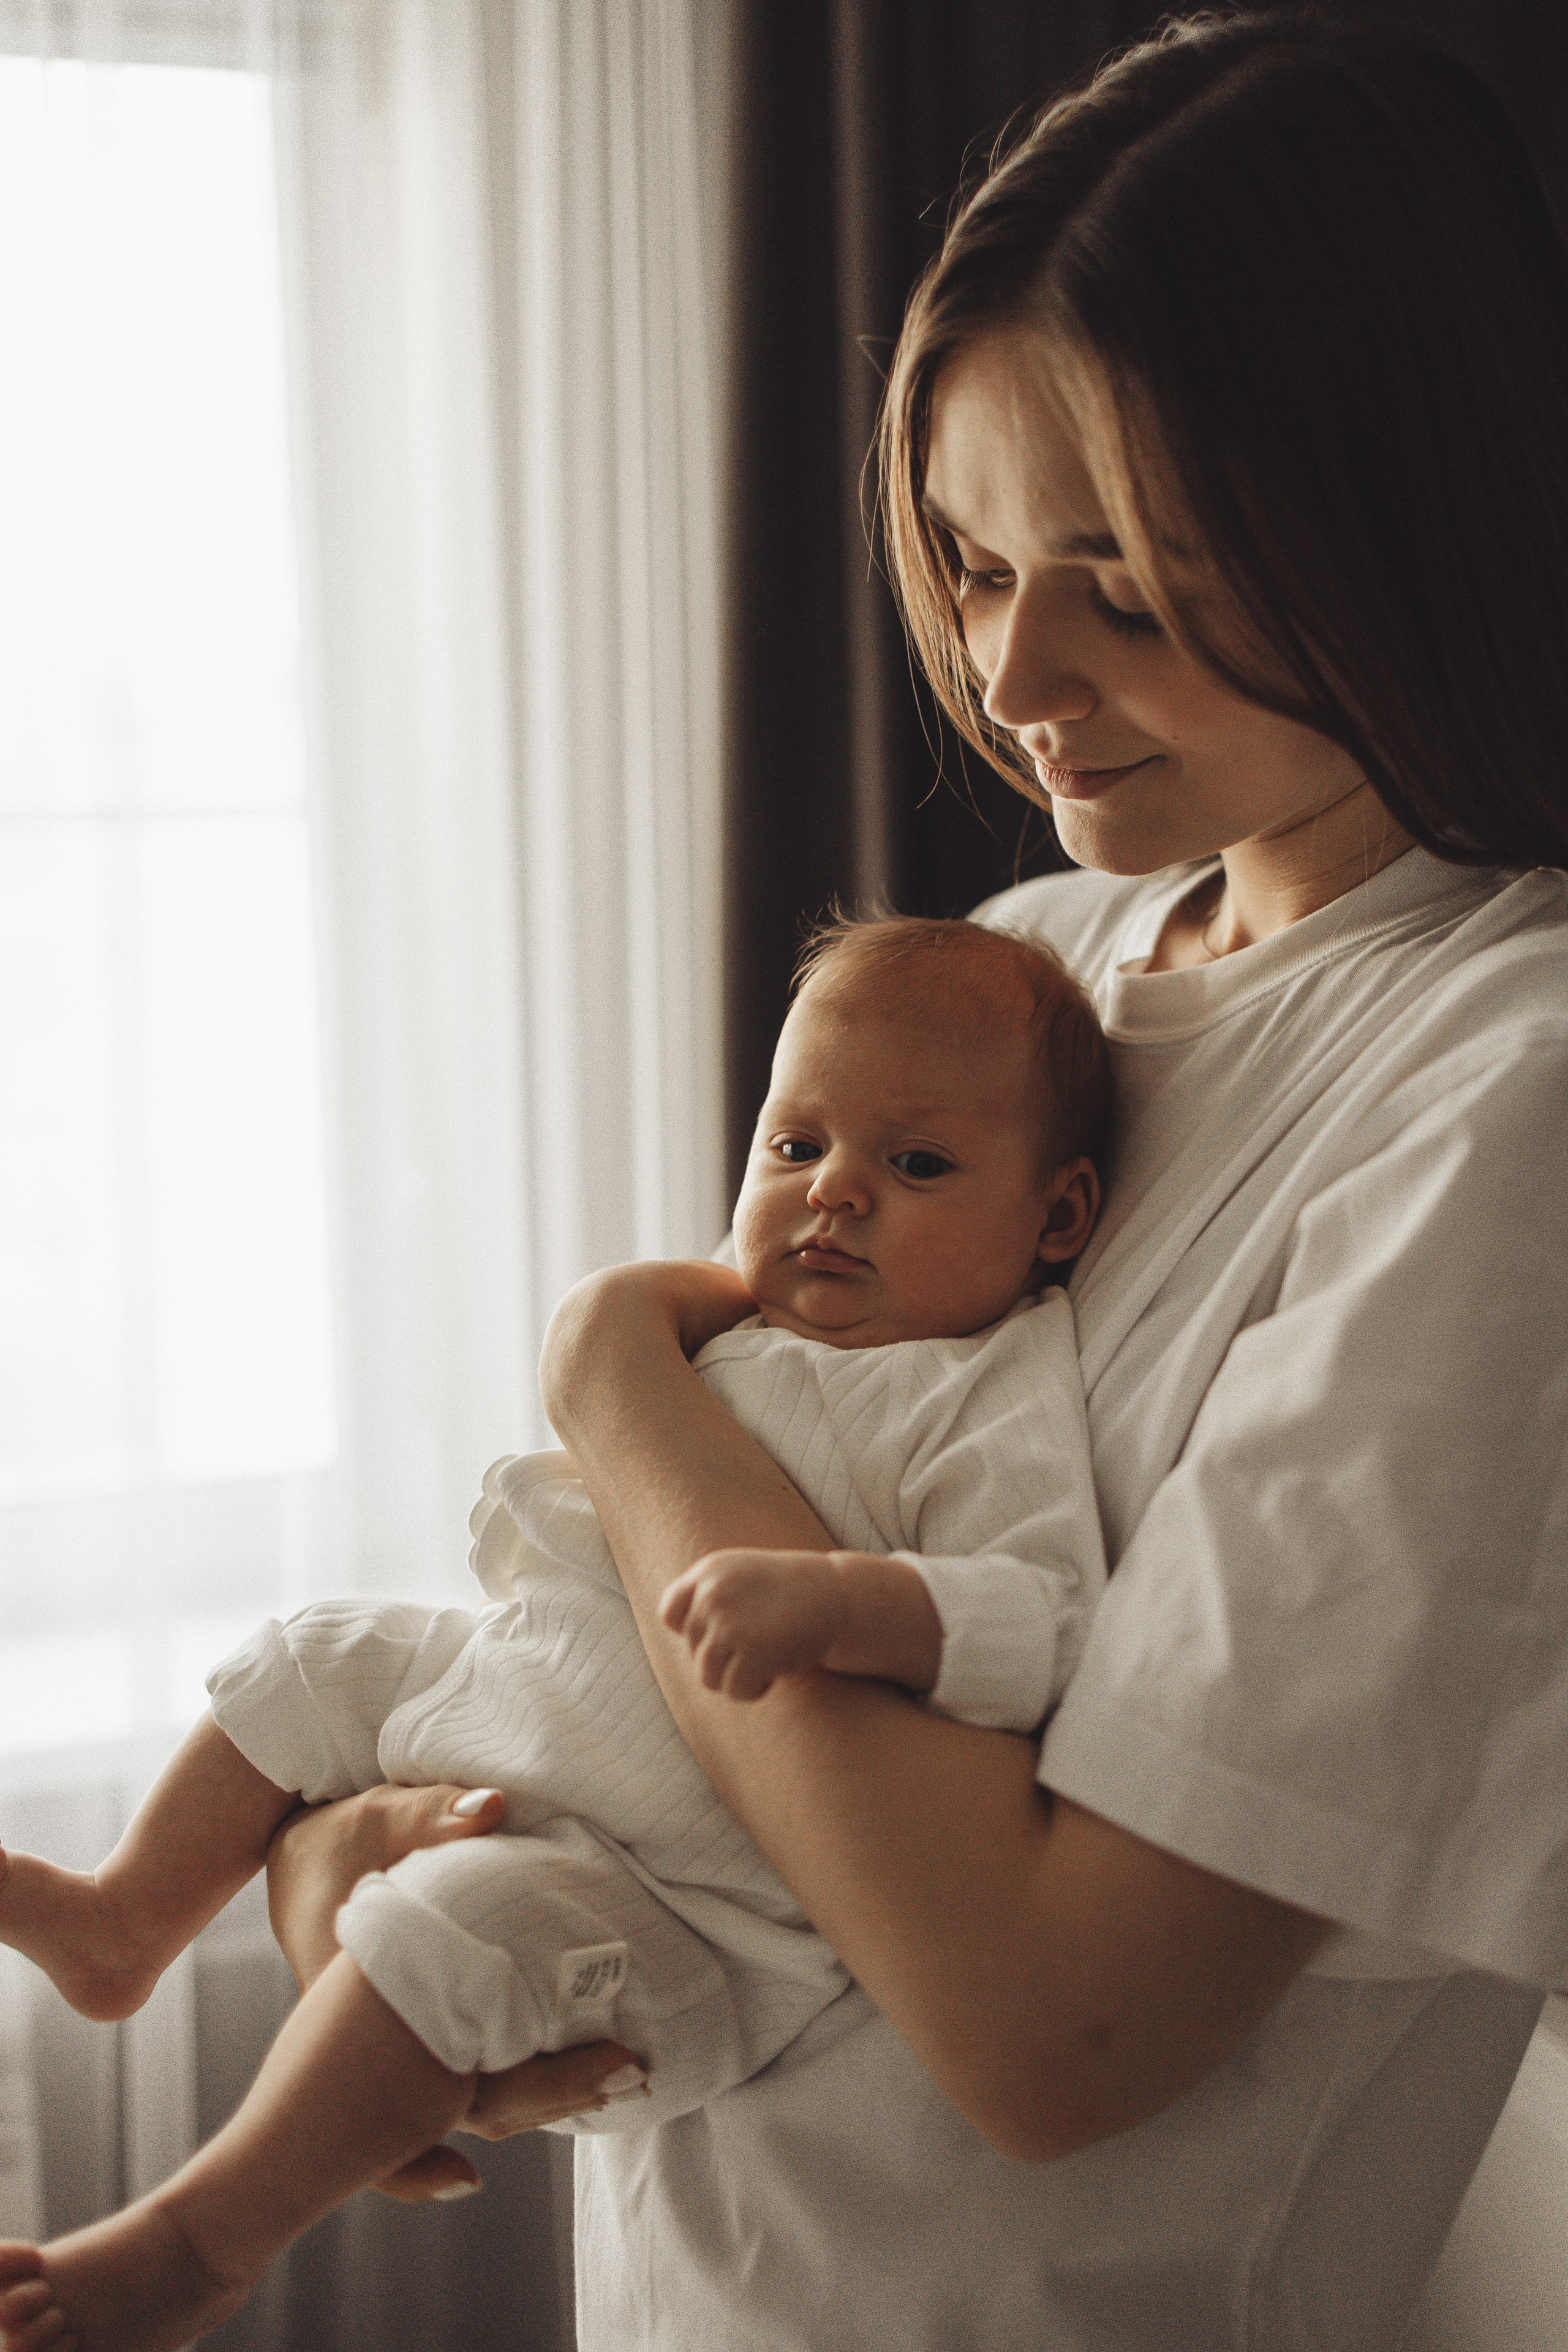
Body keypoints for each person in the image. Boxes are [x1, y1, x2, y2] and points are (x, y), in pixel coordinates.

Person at [130, 13, 1568, 2351]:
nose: (1013, 671)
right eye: (978, 559)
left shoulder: (1506, 1098)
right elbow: (668, 1629)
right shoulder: (1041, 970)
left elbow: (1049, 2029)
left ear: (1393, 507)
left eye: (1122, 578)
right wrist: (354, 1860)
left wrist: (618, 1381)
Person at [0, 917, 1112, 2352]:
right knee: (317, 1651)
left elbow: (1047, 1617)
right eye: (794, 1148)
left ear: (1058, 1217)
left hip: (674, 1905)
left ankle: (197, 2245)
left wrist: (851, 1601)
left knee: (456, 1935)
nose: (833, 1195)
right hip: (526, 1692)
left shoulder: (985, 1388)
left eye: (914, 1167)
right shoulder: (737, 1323)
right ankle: (125, 1920)